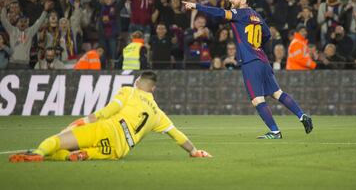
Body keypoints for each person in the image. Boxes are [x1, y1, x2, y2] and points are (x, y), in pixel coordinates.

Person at [183, 0, 313, 139]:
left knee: (257, 99)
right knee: (277, 93)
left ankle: (275, 132)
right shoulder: (256, 15)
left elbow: (220, 12)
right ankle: (302, 116)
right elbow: (267, 34)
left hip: (250, 61)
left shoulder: (240, 13)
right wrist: (256, 46)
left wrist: (196, 6)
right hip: (263, 60)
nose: (231, 0)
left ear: (243, 0)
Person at [9, 71, 212, 162]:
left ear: (139, 82)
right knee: (75, 153)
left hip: (105, 129)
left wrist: (80, 122)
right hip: (117, 150)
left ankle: (37, 152)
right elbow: (177, 136)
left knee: (57, 140)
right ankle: (78, 155)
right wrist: (194, 151)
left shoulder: (129, 91)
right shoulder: (158, 113)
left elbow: (105, 113)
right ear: (154, 89)